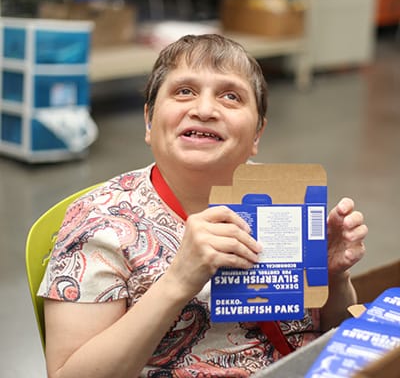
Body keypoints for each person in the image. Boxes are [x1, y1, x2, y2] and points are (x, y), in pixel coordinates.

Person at [38, 34, 367, 378]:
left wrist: (333, 276)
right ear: (149, 121)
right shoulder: (99, 221)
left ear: (256, 134)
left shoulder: (285, 199)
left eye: (231, 96)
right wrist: (178, 281)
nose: (205, 110)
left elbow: (334, 336)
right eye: (184, 91)